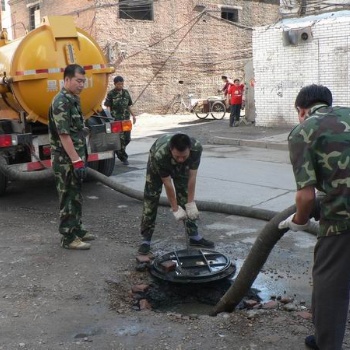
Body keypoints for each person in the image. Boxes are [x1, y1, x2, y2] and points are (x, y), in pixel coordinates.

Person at [278, 84, 350, 350]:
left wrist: (299, 221)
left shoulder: (303, 131)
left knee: (330, 283)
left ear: (301, 110)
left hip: (343, 220)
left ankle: (326, 344)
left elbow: (306, 197)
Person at [138, 133, 214, 255]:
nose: (180, 159)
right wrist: (175, 208)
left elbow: (192, 177)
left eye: (184, 156)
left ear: (189, 149)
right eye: (177, 156)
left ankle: (194, 236)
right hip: (157, 163)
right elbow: (168, 184)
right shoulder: (160, 155)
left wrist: (190, 203)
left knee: (184, 195)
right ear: (170, 150)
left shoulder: (196, 149)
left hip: (181, 165)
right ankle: (146, 239)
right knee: (151, 198)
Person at [48, 64, 95, 250]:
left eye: (83, 81)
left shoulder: (74, 99)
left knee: (76, 196)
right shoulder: (61, 101)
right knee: (68, 197)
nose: (81, 84)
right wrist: (76, 160)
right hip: (66, 161)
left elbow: (75, 129)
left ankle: (77, 228)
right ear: (66, 80)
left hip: (75, 158)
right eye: (78, 81)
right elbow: (64, 135)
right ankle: (68, 237)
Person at [104, 75, 136, 165]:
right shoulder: (111, 94)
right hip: (116, 120)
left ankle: (118, 150)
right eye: (118, 84)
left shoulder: (126, 93)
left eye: (122, 84)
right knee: (120, 139)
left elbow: (128, 105)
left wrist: (133, 116)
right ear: (115, 84)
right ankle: (123, 157)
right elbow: (108, 106)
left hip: (126, 119)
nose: (120, 86)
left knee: (127, 139)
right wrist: (109, 117)